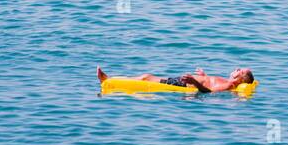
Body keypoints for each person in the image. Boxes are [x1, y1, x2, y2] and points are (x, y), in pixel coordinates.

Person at [96, 65, 254, 93]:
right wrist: (203, 75)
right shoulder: (226, 81)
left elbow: (209, 91)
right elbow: (210, 82)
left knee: (146, 77)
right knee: (147, 76)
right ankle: (111, 79)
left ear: (240, 79)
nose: (237, 69)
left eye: (240, 71)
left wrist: (194, 81)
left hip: (185, 85)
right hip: (188, 81)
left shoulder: (228, 86)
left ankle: (109, 81)